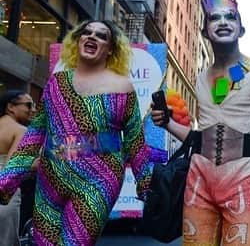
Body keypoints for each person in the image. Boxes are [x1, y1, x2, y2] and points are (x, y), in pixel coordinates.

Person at [151, 0, 250, 245]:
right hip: (199, 185)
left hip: (243, 183)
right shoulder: (200, 78)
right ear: (205, 31)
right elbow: (200, 138)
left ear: (241, 28)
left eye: (231, 16)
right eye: (214, 17)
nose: (223, 22)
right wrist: (168, 123)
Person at [0, 20, 147, 245]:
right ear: (78, 41)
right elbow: (34, 136)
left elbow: (135, 142)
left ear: (110, 49)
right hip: (51, 178)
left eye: (101, 36)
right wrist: (6, 181)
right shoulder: (56, 83)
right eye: (86, 33)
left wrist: (146, 185)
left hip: (98, 181)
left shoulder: (123, 88)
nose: (91, 37)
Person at [0, 90, 36, 246]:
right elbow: (13, 167)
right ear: (10, 107)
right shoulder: (20, 130)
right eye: (28, 105)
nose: (33, 109)